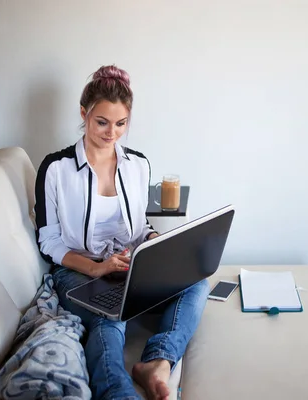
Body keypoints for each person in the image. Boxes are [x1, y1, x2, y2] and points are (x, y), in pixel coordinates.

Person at [34, 65, 209, 400]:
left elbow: (139, 228)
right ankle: (118, 393)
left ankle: (157, 361)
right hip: (78, 272)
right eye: (102, 122)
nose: (111, 133)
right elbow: (49, 242)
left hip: (130, 267)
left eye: (120, 123)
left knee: (196, 282)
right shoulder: (56, 169)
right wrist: (97, 268)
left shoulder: (137, 165)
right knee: (110, 318)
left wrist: (157, 245)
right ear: (84, 114)